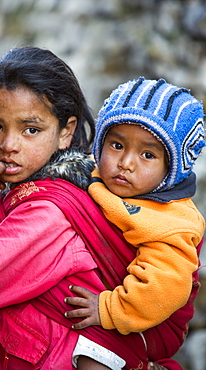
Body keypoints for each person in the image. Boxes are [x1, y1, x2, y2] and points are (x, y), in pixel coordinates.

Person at [0, 48, 200, 370]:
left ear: (66, 132)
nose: (9, 145)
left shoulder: (50, 210)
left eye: (31, 129)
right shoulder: (93, 184)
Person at [64, 77, 205, 368]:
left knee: (93, 358)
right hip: (127, 302)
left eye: (147, 154)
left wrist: (108, 309)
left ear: (171, 169)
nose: (126, 162)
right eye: (116, 144)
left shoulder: (171, 221)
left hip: (149, 320)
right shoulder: (99, 176)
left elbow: (164, 287)